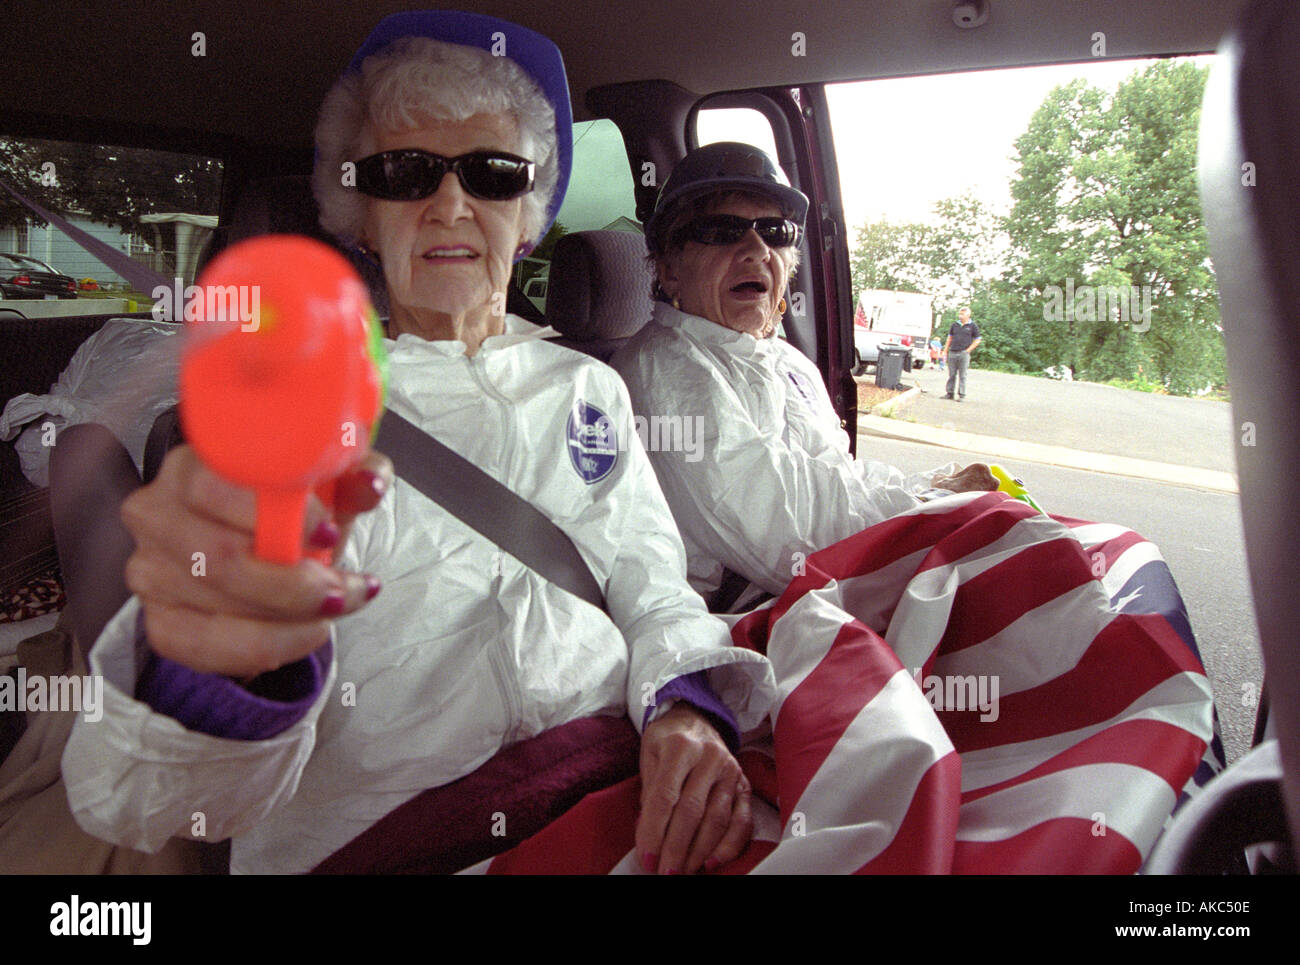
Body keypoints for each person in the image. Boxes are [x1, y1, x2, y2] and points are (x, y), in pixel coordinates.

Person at [62, 12, 775, 876]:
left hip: (619, 787)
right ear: (362, 217)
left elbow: (652, 583)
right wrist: (218, 668)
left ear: (531, 213)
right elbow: (136, 800)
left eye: (492, 172)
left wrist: (685, 707)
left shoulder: (591, 388)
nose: (450, 202)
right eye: (404, 173)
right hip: (400, 839)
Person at [610, 143, 995, 601]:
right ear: (670, 269)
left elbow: (838, 479)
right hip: (748, 623)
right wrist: (930, 508)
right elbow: (789, 539)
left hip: (831, 594)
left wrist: (933, 490)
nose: (756, 249)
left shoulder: (786, 361)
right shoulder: (662, 371)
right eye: (721, 230)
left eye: (774, 231)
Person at [941, 306, 981, 400]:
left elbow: (978, 339)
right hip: (953, 352)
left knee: (962, 375)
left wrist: (968, 350)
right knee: (951, 374)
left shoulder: (973, 326)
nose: (960, 316)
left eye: (962, 314)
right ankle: (949, 393)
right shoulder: (955, 325)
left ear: (968, 315)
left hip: (964, 353)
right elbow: (949, 338)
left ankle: (961, 394)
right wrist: (945, 350)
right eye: (960, 314)